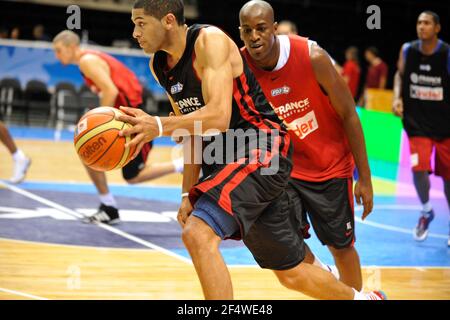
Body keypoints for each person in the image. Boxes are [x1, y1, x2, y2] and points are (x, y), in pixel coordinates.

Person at [118, 0, 385, 300]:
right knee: (291, 273)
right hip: (228, 160)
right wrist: (185, 193)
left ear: (168, 21)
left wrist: (157, 124)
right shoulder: (160, 66)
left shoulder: (210, 42)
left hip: (261, 149)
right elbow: (190, 131)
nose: (135, 32)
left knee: (197, 233)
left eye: (140, 23)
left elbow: (218, 116)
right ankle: (365, 299)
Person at [239, 0, 373, 291]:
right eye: (247, 30)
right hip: (282, 172)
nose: (254, 36)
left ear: (275, 29)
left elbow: (349, 113)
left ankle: (356, 297)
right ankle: (331, 282)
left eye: (261, 28)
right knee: (289, 248)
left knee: (341, 247)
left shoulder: (312, 56)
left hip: (330, 167)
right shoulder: (239, 67)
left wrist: (364, 176)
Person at [52, 30, 183, 225]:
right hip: (125, 115)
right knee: (88, 152)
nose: (57, 55)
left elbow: (110, 91)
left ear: (71, 47)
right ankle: (108, 206)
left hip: (134, 115)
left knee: (132, 175)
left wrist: (99, 122)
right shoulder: (89, 59)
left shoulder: (87, 61)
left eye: (59, 50)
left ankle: (183, 164)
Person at [392, 11, 450, 246]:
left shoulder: (446, 53)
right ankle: (426, 211)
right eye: (418, 22)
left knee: (448, 178)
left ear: (437, 28)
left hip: (445, 126)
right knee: (419, 168)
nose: (421, 26)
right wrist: (397, 97)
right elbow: (399, 74)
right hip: (417, 124)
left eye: (426, 23)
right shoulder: (408, 50)